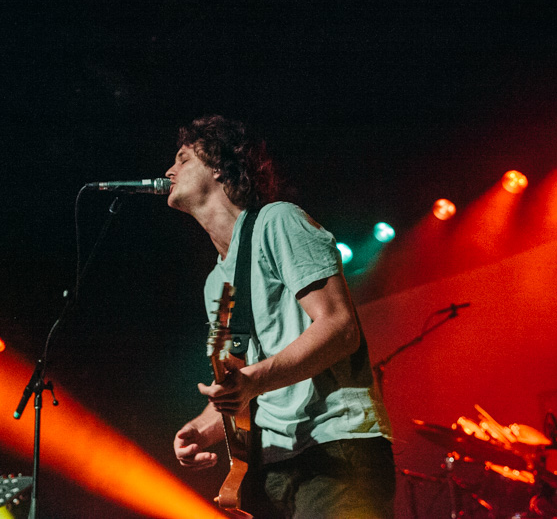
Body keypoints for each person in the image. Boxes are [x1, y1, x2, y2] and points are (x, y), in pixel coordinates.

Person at [166, 115, 394, 518]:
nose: (169, 170)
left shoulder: (279, 221)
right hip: (269, 467)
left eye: (182, 159)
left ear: (218, 165)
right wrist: (202, 429)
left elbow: (340, 327)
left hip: (336, 448)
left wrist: (256, 380)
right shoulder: (215, 281)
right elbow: (239, 378)